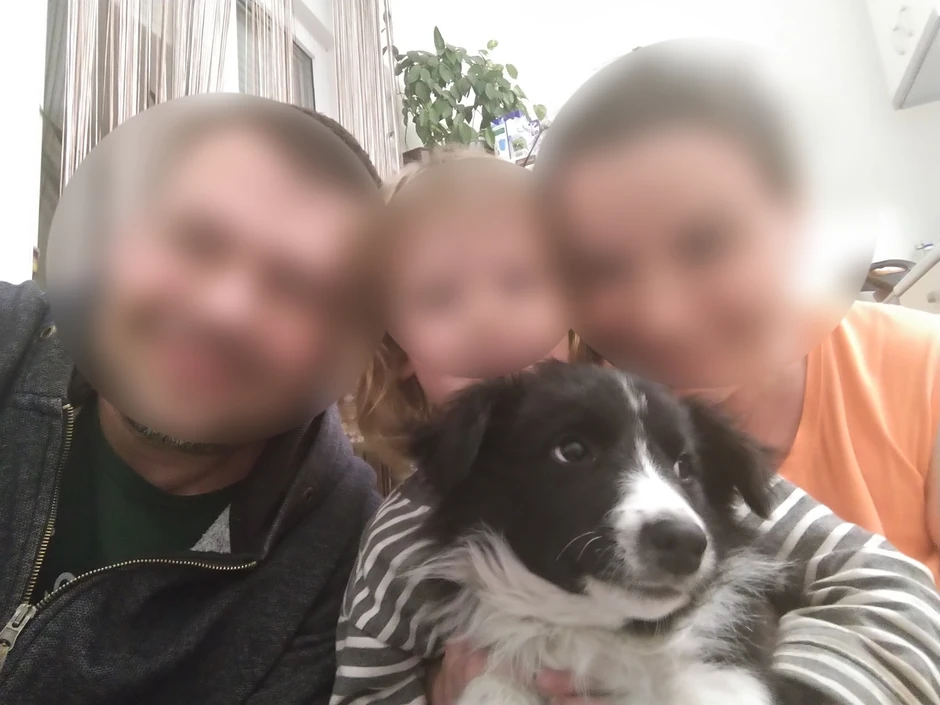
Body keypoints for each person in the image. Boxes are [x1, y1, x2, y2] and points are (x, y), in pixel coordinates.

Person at [331, 145, 940, 704]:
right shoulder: (397, 537)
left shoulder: (668, 430)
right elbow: (364, 688)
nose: (487, 319)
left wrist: (787, 692)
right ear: (397, 347)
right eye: (439, 297)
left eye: (520, 282)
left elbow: (892, 585)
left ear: (574, 310)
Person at [0, 102, 382, 703]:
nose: (226, 309)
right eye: (196, 241)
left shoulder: (347, 557)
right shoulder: (11, 337)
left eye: (297, 286)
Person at [536, 40, 940, 587]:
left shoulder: (924, 373)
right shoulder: (562, 430)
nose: (661, 317)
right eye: (604, 267)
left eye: (706, 245)